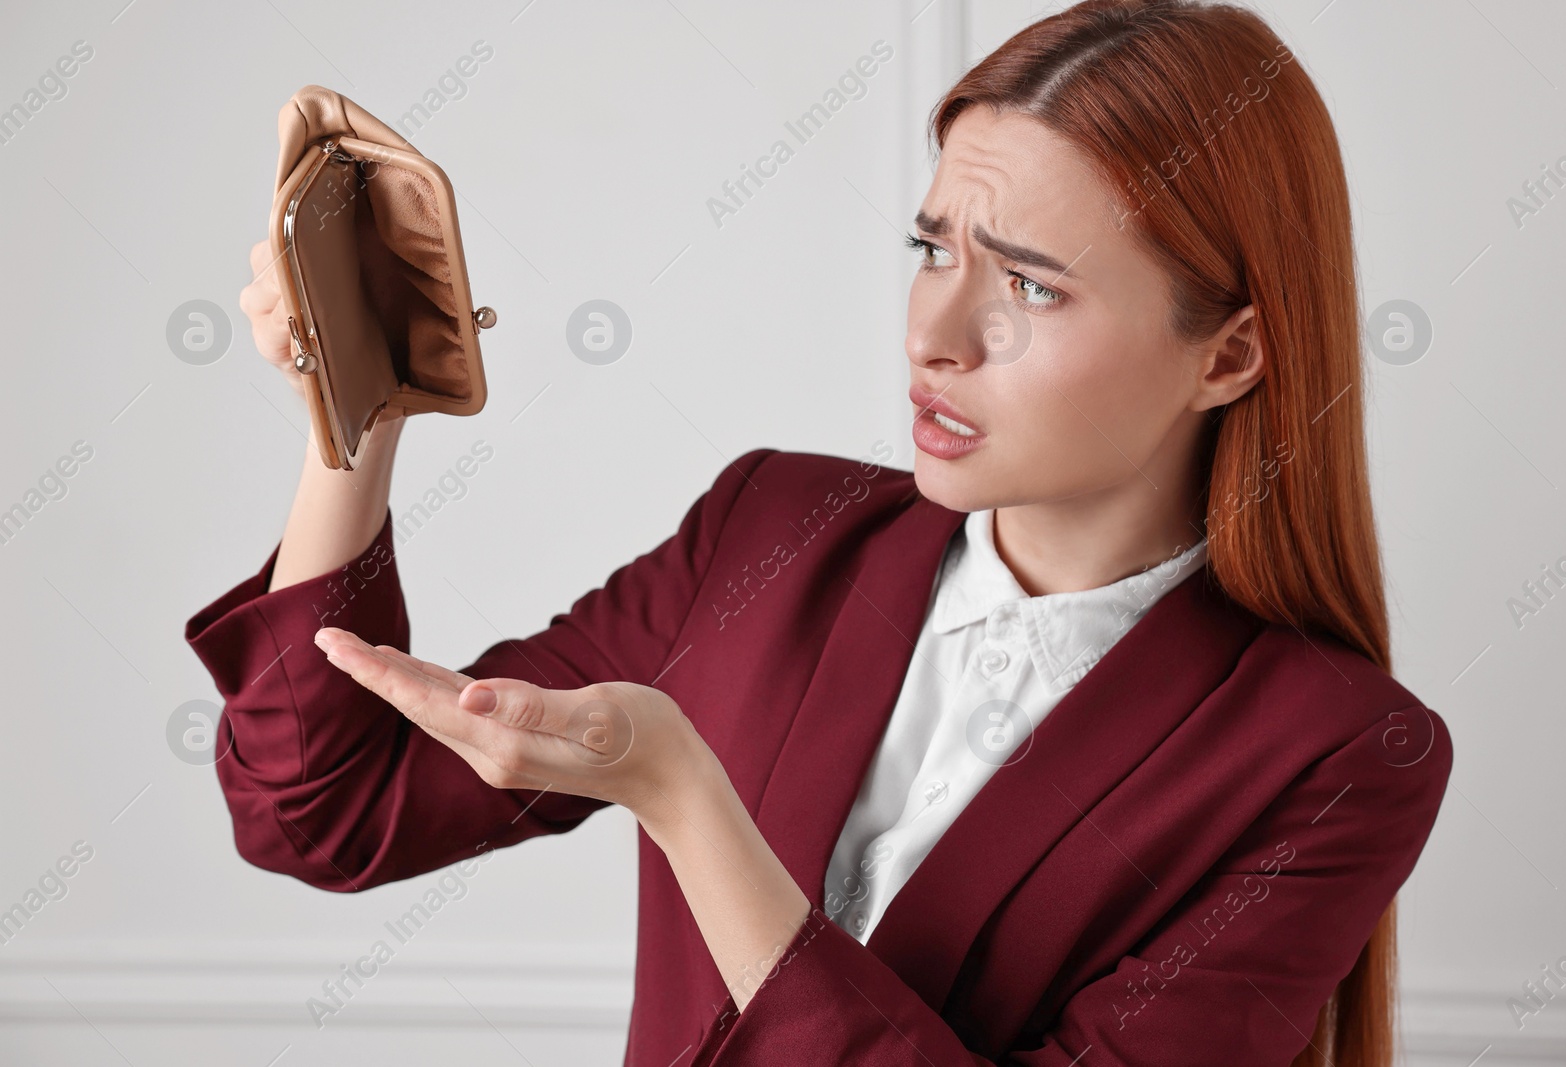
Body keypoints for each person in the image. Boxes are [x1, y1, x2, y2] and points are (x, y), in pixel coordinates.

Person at [187, 2, 1451, 1063]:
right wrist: (354, 419)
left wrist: (686, 801)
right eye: (932, 247)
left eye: (1029, 284)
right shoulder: (774, 529)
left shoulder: (1335, 755)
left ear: (1227, 353)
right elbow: (325, 810)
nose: (933, 334)